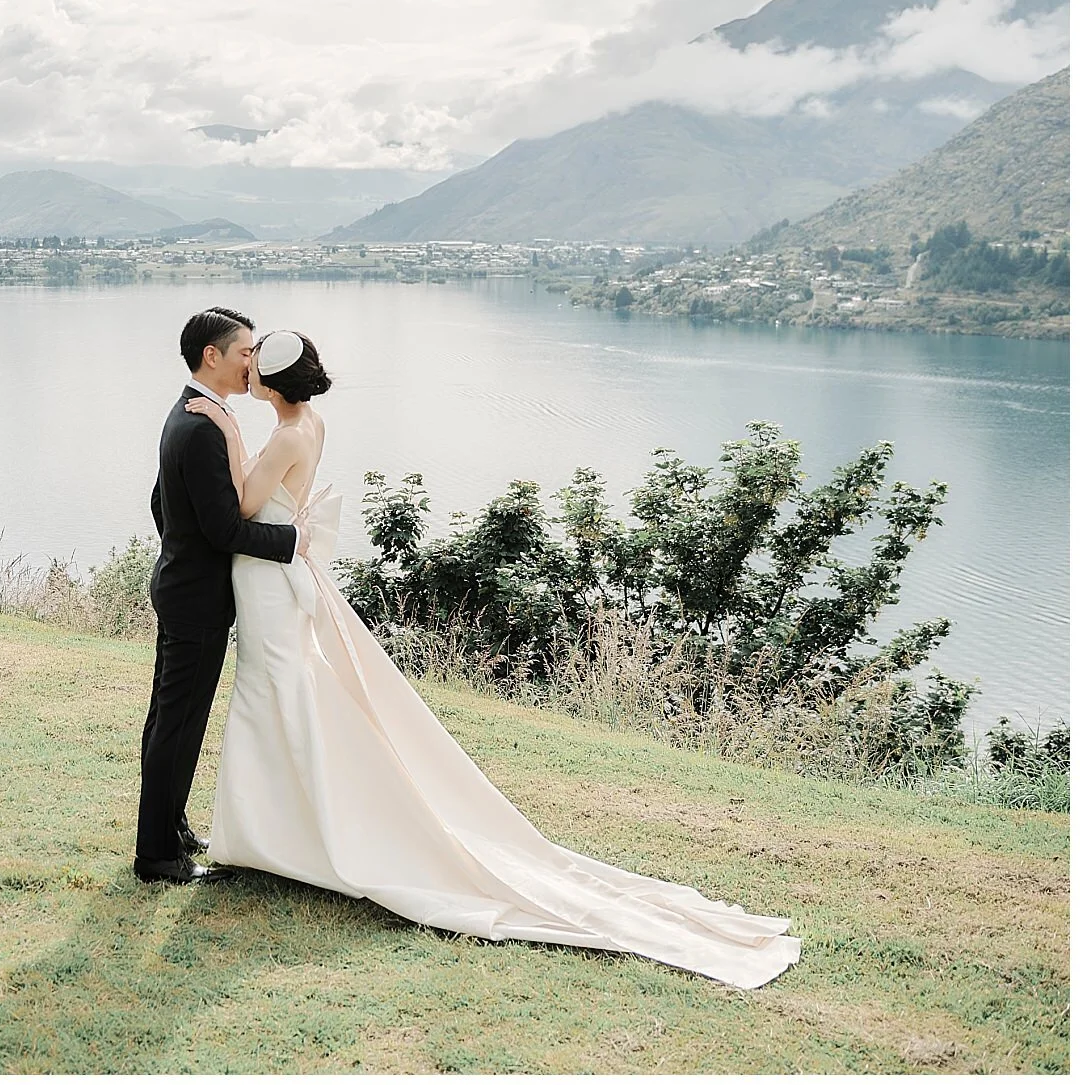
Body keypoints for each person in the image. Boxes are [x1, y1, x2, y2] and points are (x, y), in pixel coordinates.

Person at [181, 327, 803, 990]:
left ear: (271, 384)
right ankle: (270, 833)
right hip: (277, 577)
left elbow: (244, 506)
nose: (245, 369)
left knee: (270, 694)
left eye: (254, 364)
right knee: (277, 694)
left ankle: (277, 834)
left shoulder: (280, 438)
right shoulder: (312, 422)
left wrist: (229, 439)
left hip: (269, 579)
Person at [135, 307, 307, 885]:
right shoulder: (203, 426)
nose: (252, 363)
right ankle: (157, 856)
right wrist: (293, 540)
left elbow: (161, 502)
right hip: (196, 598)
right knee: (177, 724)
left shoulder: (192, 413)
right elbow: (224, 531)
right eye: (245, 353)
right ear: (213, 355)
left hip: (183, 585)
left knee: (169, 718)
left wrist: (181, 550)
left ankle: (170, 827)